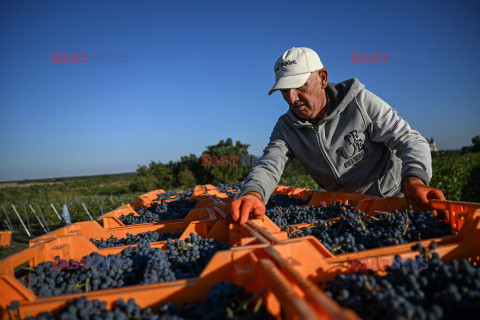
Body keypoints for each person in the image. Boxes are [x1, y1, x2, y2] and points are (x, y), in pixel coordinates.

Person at [229, 47, 446, 225]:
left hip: (395, 203)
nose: (292, 98)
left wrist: (415, 180)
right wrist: (253, 193)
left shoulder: (359, 102)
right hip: (347, 213)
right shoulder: (287, 128)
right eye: (285, 91)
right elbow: (270, 163)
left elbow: (409, 139)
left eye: (299, 86)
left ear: (322, 78)